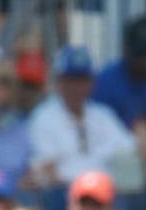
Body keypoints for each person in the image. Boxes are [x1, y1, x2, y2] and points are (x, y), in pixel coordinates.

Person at [27, 46, 135, 187]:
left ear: (92, 82)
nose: (77, 87)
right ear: (59, 82)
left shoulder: (103, 115)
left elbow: (130, 151)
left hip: (104, 194)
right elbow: (47, 171)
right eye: (71, 80)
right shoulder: (43, 117)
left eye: (82, 80)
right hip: (60, 195)